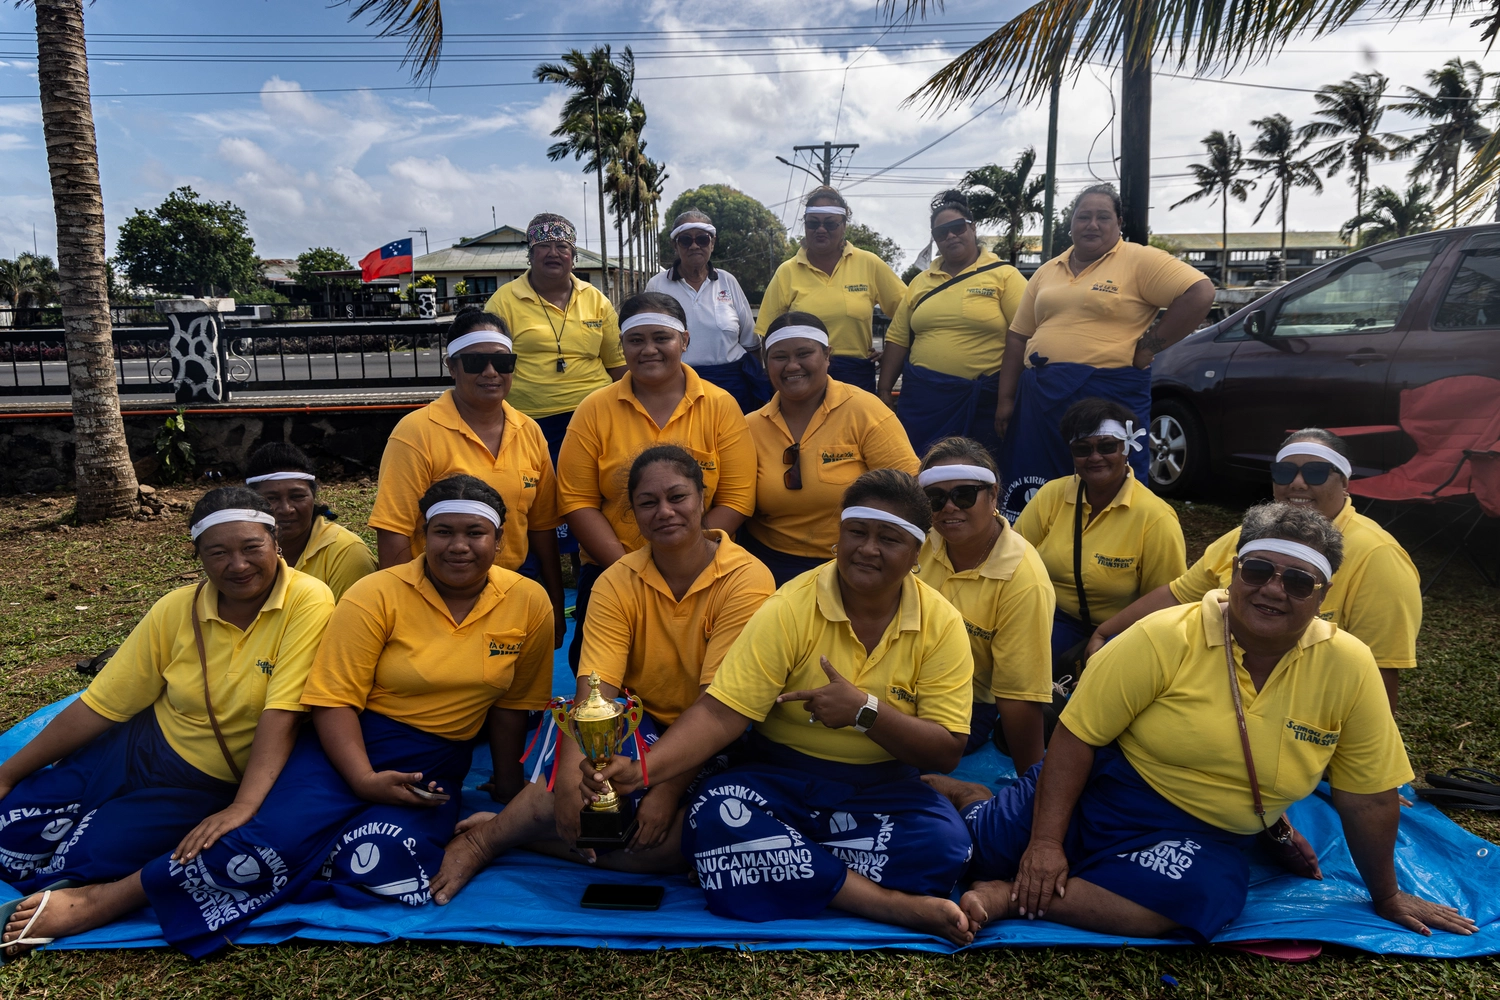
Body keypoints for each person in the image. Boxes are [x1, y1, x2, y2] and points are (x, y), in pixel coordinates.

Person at [2, 476, 557, 959]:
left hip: (434, 758)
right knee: (258, 842)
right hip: (350, 742)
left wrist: (508, 794)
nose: (458, 546)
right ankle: (106, 899)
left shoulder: (528, 602)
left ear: (499, 537)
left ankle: (312, 847)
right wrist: (362, 778)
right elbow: (331, 700)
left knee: (384, 865)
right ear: (422, 534)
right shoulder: (375, 594)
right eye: (443, 532)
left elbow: (513, 707)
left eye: (474, 533)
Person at [932, 502, 1476, 943]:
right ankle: (970, 797)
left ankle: (1011, 899)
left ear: (1323, 595)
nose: (1273, 589)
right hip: (1104, 793)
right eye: (1258, 571)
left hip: (1201, 833)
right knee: (964, 851)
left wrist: (1387, 894)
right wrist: (1046, 843)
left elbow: (1368, 797)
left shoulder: (1350, 666)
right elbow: (1076, 737)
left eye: (1298, 582)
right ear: (1234, 571)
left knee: (1201, 895)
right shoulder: (1163, 635)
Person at [587, 470, 979, 946]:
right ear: (839, 535)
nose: (868, 549)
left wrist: (865, 712)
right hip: (780, 782)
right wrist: (643, 771)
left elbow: (946, 750)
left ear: (917, 553)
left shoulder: (942, 624)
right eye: (856, 532)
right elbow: (720, 713)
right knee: (713, 813)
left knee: (946, 848)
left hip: (882, 789)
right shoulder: (790, 606)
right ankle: (888, 903)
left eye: (889, 539)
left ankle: (777, 863)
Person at [427, 446, 776, 902]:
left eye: (677, 497)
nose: (664, 512)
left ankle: (509, 833)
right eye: (648, 503)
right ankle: (484, 842)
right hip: (636, 720)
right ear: (632, 513)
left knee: (670, 847)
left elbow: (717, 711)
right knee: (576, 792)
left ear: (702, 497)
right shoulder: (616, 580)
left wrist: (665, 789)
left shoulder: (747, 579)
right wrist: (571, 780)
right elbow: (596, 693)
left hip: (715, 735)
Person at [0, 489, 335, 956]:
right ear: (198, 556)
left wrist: (242, 806)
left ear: (276, 543)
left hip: (206, 782)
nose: (237, 565)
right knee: (14, 826)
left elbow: (283, 713)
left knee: (91, 855)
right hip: (138, 748)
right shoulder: (176, 608)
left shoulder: (308, 600)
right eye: (217, 552)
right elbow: (103, 704)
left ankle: (88, 896)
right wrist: (8, 773)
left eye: (251, 547)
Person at [1086, 429, 1421, 712]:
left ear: (1345, 482)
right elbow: (1178, 594)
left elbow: (1378, 672)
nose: (1297, 483)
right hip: (1203, 684)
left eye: (1316, 473)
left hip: (1293, 708)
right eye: (1285, 472)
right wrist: (1106, 632)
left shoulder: (1379, 557)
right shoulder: (1250, 536)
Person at [558, 292, 757, 668]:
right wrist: (629, 569)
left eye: (661, 338)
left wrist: (686, 560)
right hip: (612, 570)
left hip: (703, 573)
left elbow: (737, 498)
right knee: (602, 678)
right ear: (622, 346)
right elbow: (577, 500)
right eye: (636, 340)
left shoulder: (720, 407)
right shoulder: (593, 410)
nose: (649, 349)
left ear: (684, 340)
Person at [994, 184, 1215, 520]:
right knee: (1036, 480)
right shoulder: (1047, 270)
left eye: (1103, 217)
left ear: (1119, 223)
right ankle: (1040, 542)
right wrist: (1006, 400)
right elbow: (1017, 337)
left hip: (1107, 394)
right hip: (1039, 397)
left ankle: (1109, 544)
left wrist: (1149, 347)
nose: (1092, 225)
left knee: (1106, 478)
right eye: (1084, 217)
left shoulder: (1139, 260)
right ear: (1071, 223)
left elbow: (1200, 292)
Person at [369, 306, 567, 646]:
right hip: (439, 591)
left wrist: (555, 602)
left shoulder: (530, 432)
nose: (491, 372)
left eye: (502, 362)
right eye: (475, 362)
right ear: (452, 366)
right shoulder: (416, 432)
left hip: (513, 588)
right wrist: (405, 609)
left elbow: (542, 527)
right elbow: (393, 532)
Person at [485, 212, 626, 560]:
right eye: (544, 246)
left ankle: (586, 560)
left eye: (562, 246)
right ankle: (534, 563)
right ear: (530, 254)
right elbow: (489, 363)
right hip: (528, 421)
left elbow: (618, 366)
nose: (553, 253)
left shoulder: (596, 299)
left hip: (591, 418)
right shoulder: (504, 301)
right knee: (533, 496)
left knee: (592, 492)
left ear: (573, 255)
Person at [743, 311, 919, 586]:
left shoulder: (864, 410)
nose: (792, 365)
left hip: (855, 565)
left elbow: (909, 490)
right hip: (768, 565)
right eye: (780, 357)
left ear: (827, 356)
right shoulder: (750, 426)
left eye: (804, 354)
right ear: (766, 363)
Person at [1014, 398, 1186, 666]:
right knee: (1016, 659)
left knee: (1104, 671)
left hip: (1125, 627)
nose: (1095, 457)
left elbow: (1167, 601)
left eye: (1107, 447)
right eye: (1083, 449)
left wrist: (1110, 635)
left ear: (1126, 448)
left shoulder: (1155, 517)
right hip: (1054, 617)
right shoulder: (1051, 495)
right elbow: (1014, 557)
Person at [915, 438, 1053, 770]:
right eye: (936, 498)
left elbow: (1018, 696)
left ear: (993, 496)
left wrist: (1031, 785)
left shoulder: (1023, 580)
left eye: (964, 494)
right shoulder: (917, 539)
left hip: (962, 704)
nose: (949, 507)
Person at [878, 191, 1027, 460]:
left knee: (979, 472)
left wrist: (1006, 399)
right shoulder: (920, 282)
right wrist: (884, 390)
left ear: (972, 228)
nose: (950, 236)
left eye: (957, 228)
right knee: (921, 468)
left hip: (983, 404)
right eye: (941, 232)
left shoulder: (1005, 275)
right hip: (923, 401)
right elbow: (898, 338)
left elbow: (1023, 336)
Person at [756, 186, 907, 393]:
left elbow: (907, 311)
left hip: (855, 377)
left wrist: (889, 355)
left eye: (830, 224)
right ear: (805, 225)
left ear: (843, 225)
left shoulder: (869, 264)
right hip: (802, 377)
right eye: (813, 223)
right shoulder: (787, 272)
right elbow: (769, 334)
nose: (821, 230)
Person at [645, 209, 766, 412]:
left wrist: (758, 387)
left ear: (712, 243)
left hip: (733, 387)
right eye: (686, 240)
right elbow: (648, 340)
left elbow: (751, 344)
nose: (694, 246)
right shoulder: (657, 285)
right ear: (675, 245)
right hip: (679, 388)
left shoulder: (728, 281)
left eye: (702, 239)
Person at [243, 443, 375, 600]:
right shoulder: (235, 551)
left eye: (297, 496)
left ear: (313, 497)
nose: (286, 509)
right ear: (250, 502)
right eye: (271, 498)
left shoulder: (346, 552)